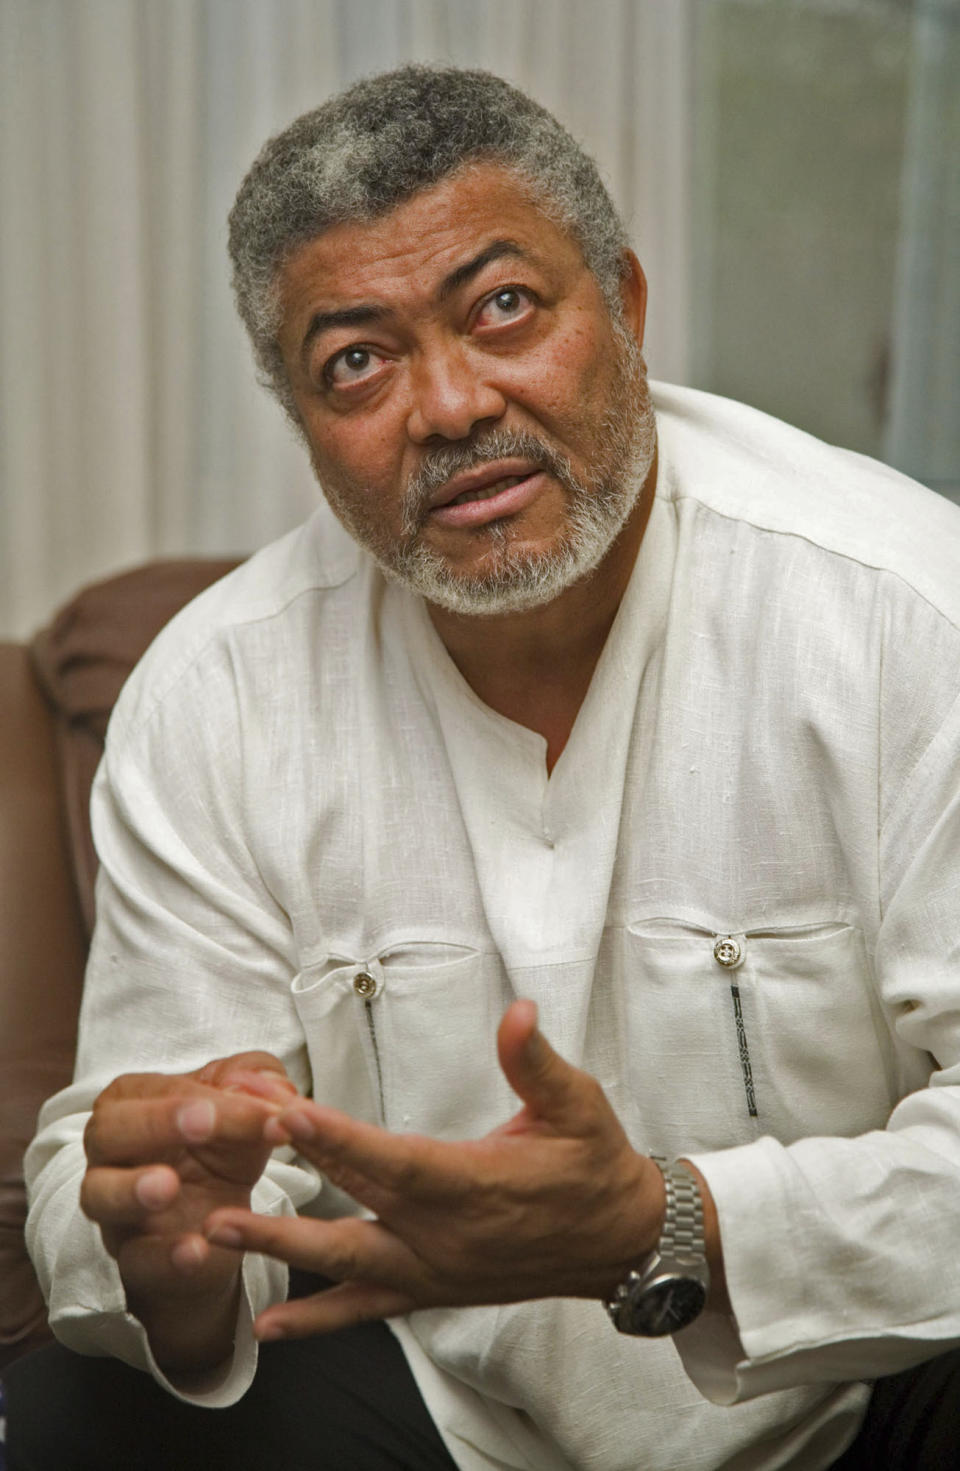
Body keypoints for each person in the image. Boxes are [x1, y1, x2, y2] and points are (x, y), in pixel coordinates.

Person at [6, 63, 960, 1471]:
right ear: (305, 426)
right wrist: (168, 1248)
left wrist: (663, 1225)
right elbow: (154, 1172)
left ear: (626, 310)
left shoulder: (905, 608)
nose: (449, 406)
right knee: (79, 1414)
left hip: (858, 1398)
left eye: (503, 308)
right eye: (357, 361)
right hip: (435, 1416)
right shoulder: (213, 696)